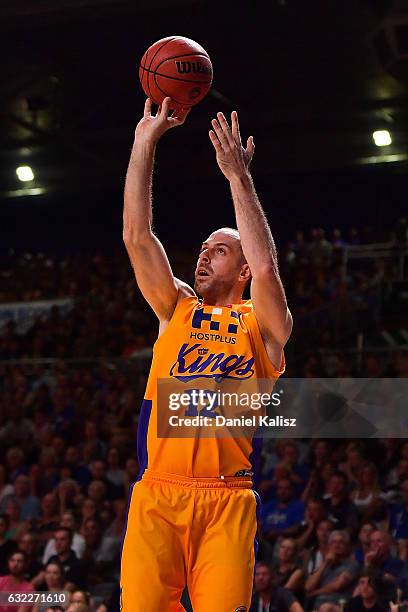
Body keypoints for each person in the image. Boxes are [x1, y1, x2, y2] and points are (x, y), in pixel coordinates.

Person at [120, 97, 292, 611]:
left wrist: (238, 177)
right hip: (159, 495)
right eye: (202, 247)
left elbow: (266, 269)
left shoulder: (263, 329)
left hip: (227, 500)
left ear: (240, 268)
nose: (202, 253)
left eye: (218, 249)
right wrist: (143, 142)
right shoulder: (175, 309)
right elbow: (136, 236)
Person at [305, 530, 360, 610]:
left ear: (347, 546)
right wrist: (325, 563)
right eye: (333, 542)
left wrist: (314, 593)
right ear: (329, 546)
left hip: (338, 605)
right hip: (318, 606)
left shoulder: (353, 565)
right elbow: (308, 587)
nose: (337, 545)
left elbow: (337, 585)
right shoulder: (324, 565)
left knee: (326, 607)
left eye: (341, 542)